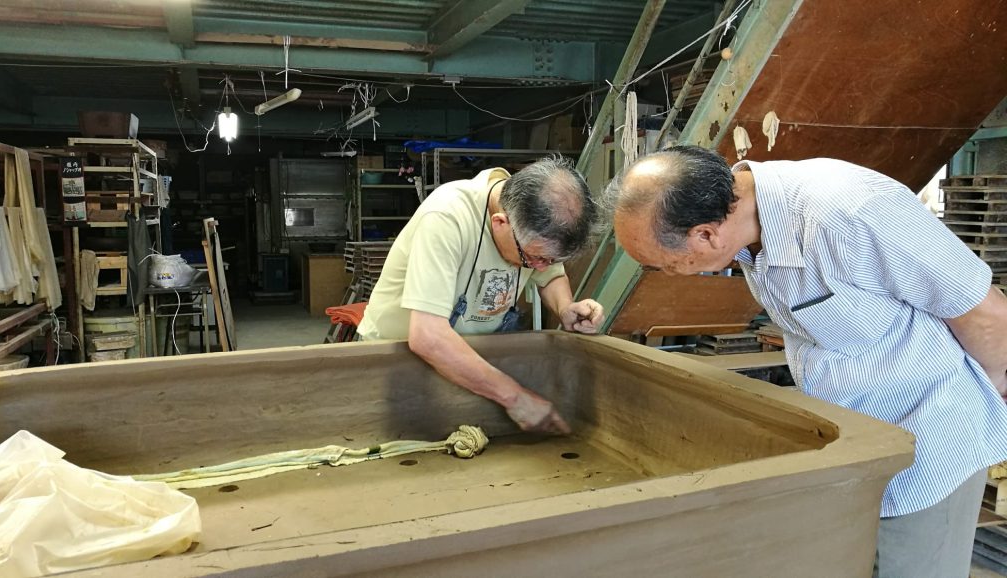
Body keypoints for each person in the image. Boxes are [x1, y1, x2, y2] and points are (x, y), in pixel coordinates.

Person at [609, 146, 1007, 578]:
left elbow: (984, 312)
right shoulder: (750, 232)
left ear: (706, 235)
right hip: (854, 442)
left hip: (929, 446)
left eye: (664, 265)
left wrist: (991, 394)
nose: (666, 273)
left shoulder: (851, 211)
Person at [357, 156, 605, 435]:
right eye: (534, 258)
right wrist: (516, 398)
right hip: (396, 360)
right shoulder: (446, 218)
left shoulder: (530, 223)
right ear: (500, 223)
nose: (540, 267)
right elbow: (428, 336)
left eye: (550, 259)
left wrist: (565, 307)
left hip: (469, 363)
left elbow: (551, 274)